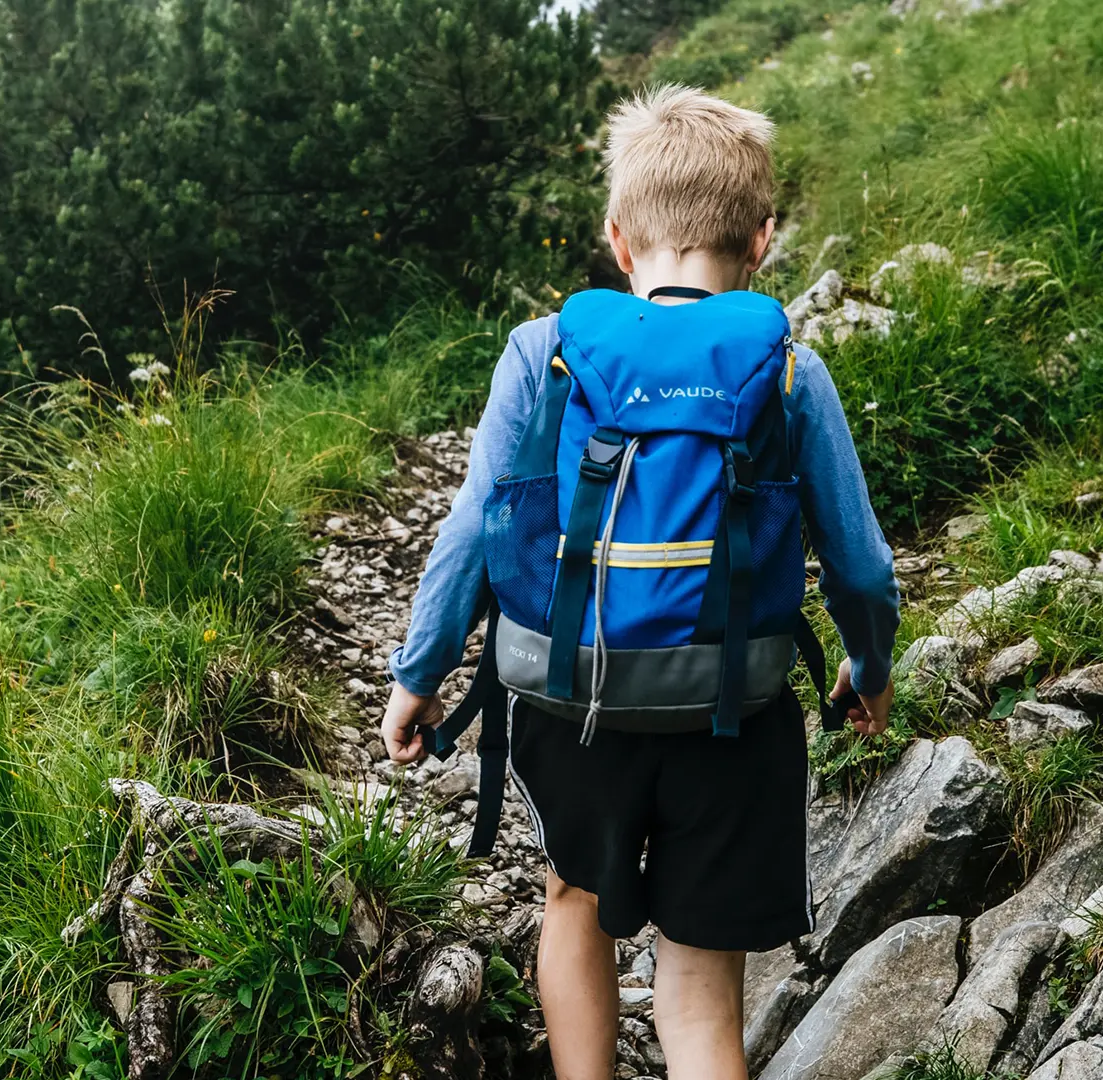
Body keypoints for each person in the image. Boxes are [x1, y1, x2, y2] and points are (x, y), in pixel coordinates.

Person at [379, 84, 900, 1080]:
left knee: (573, 902)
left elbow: (471, 534)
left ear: (618, 240)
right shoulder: (789, 372)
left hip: (570, 707)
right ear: (763, 240)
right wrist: (868, 665)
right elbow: (862, 566)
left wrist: (420, 672)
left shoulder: (546, 353)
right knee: (701, 982)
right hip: (732, 718)